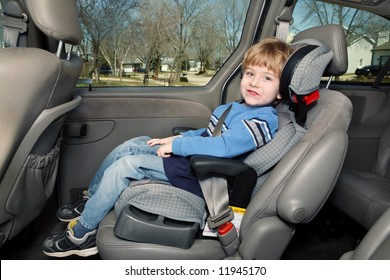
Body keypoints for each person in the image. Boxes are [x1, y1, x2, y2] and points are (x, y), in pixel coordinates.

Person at [42, 37, 292, 257]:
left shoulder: (264, 118)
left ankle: (83, 234)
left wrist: (181, 146)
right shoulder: (236, 107)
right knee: (133, 143)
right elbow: (208, 133)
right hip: (194, 163)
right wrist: (171, 141)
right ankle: (92, 200)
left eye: (267, 78)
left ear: (281, 91)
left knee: (128, 165)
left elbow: (224, 147)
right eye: (250, 73)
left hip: (208, 178)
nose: (255, 82)